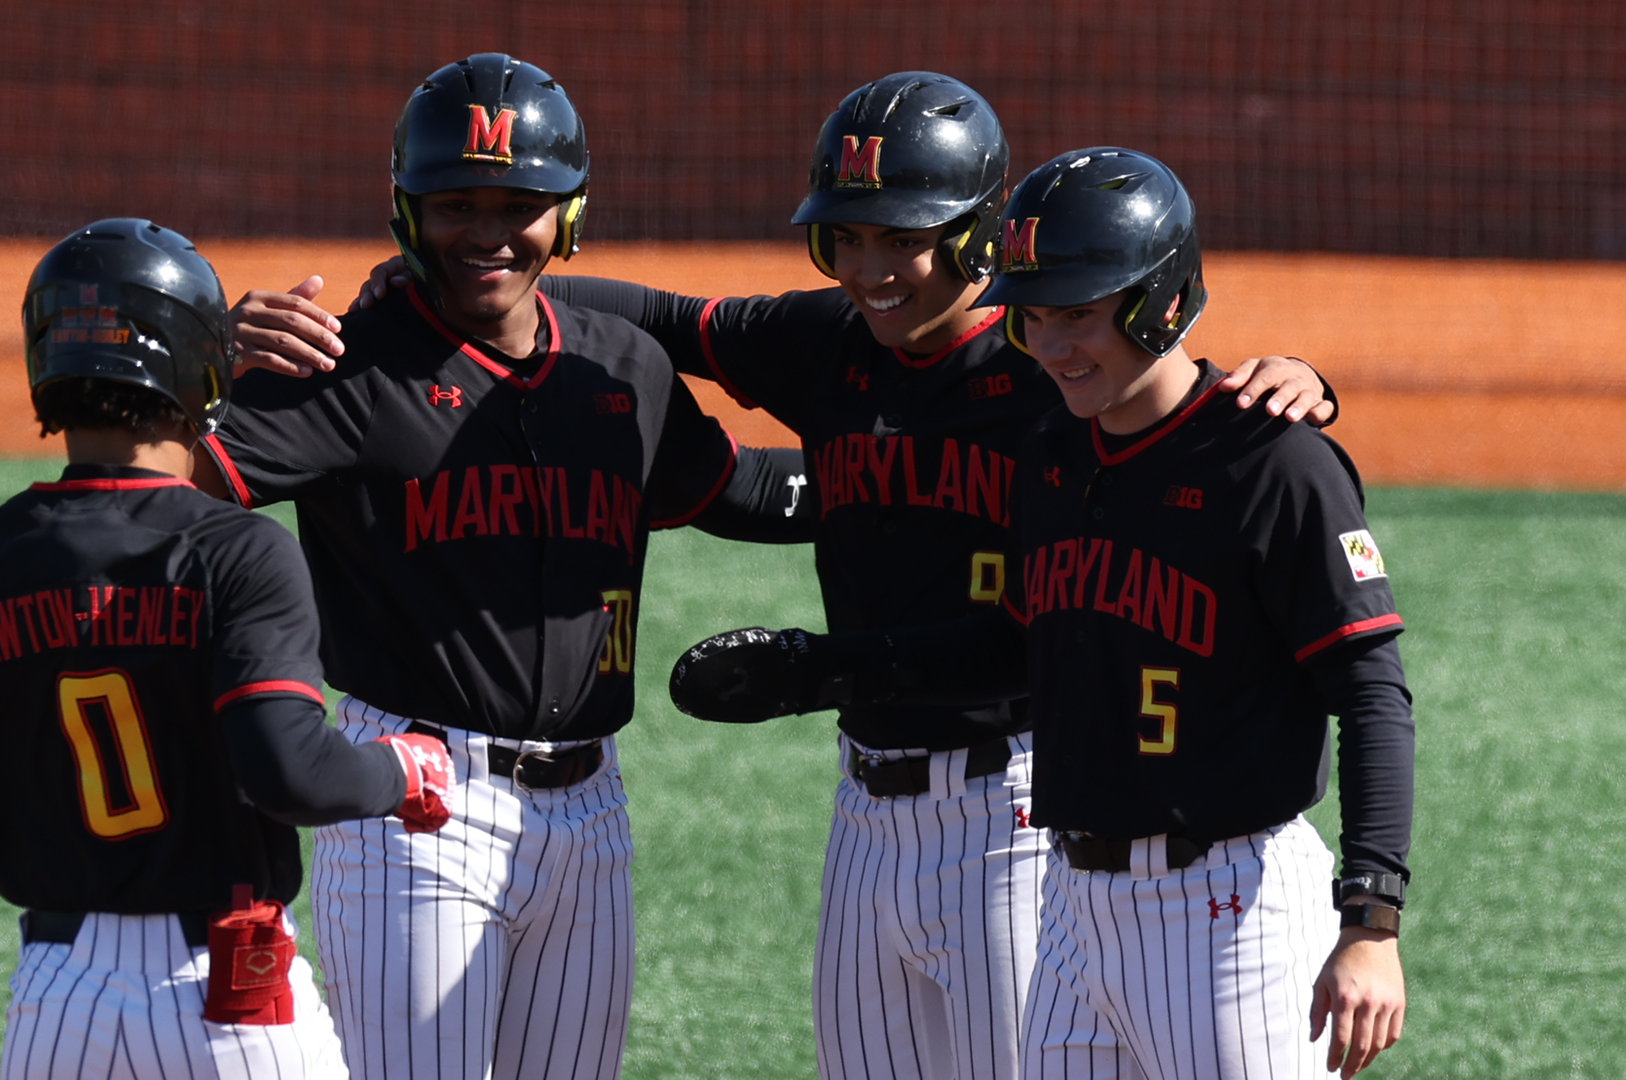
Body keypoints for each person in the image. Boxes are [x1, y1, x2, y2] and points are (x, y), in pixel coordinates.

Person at [340, 72, 1337, 1080]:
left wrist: (1303, 380)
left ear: (982, 234)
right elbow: (658, 315)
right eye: (843, 238)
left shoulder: (1052, 361)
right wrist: (431, 293)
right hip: (865, 808)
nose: (870, 268)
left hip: (1019, 801)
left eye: (902, 236)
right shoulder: (826, 343)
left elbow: (1180, 420)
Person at [192, 54, 810, 1080]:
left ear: (566, 214)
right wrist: (202, 348)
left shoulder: (621, 367)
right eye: (455, 204)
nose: (486, 231)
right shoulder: (348, 365)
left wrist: (915, 478)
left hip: (591, 812)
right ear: (407, 211)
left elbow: (738, 489)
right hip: (412, 802)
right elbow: (160, 484)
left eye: (518, 203)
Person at [0, 218, 455, 1080]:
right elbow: (290, 773)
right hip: (228, 997)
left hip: (56, 1000)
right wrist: (406, 771)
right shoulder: (239, 551)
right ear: (204, 367)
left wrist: (2, 706)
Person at [980, 148, 1412, 1080]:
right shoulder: (1051, 452)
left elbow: (1371, 691)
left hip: (1230, 911)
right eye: (1036, 317)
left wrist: (1371, 922)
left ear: (1160, 303)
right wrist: (836, 667)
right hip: (1070, 911)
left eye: (1082, 315)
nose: (1054, 346)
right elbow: (1013, 650)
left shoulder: (1273, 464)